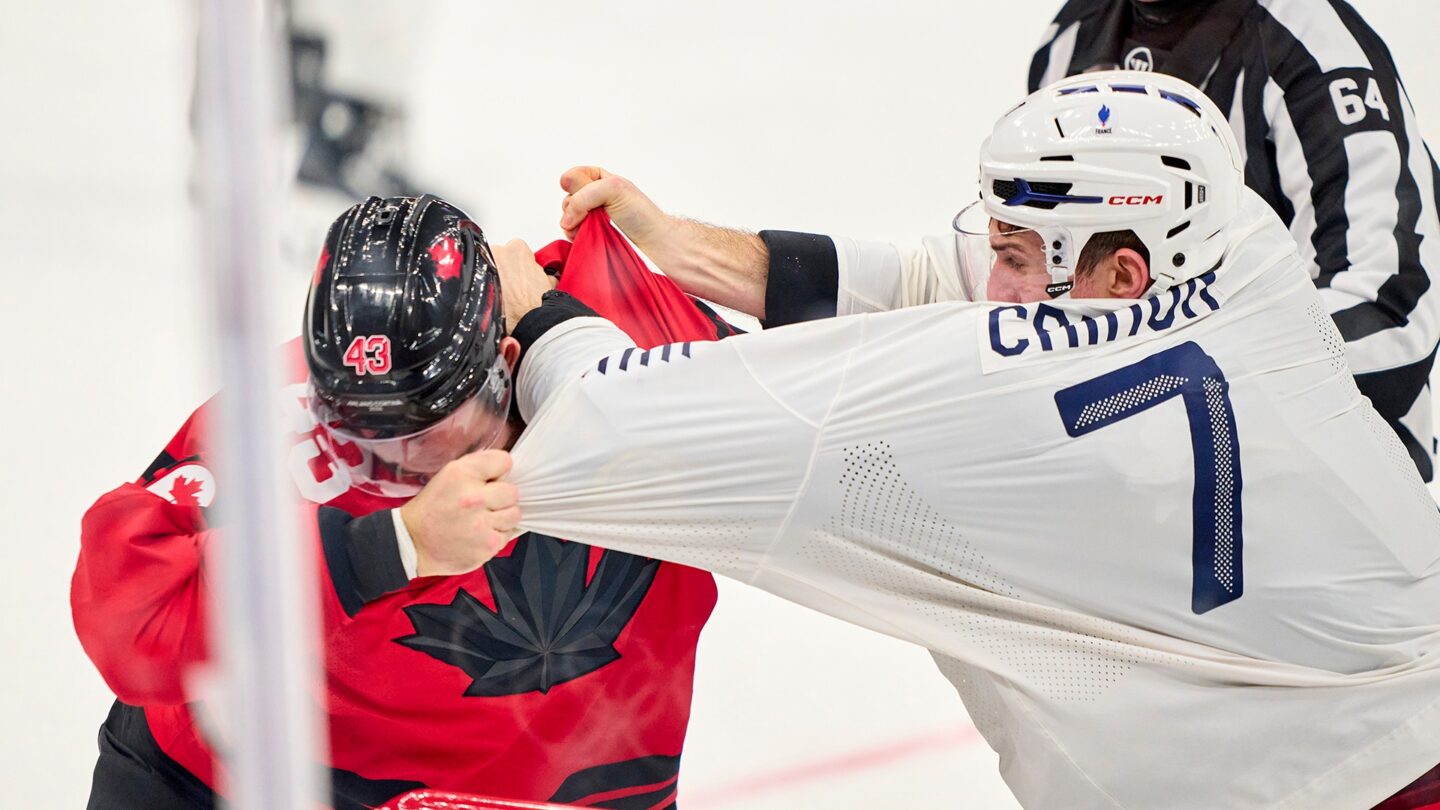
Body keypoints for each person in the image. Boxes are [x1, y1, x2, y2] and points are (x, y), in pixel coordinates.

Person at [461, 71, 1440, 808]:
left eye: (1018, 250)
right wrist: (690, 252)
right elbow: (955, 287)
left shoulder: (998, 407)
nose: (990, 266)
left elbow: (621, 427)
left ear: (1123, 275)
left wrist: (541, 312)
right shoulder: (1246, 253)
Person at [71, 194, 737, 809]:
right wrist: (388, 546)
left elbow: (830, 416)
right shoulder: (285, 421)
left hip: (566, 783)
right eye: (353, 418)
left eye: (418, 421)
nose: (385, 451)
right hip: (249, 778)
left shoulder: (635, 336)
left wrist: (693, 250)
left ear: (503, 361)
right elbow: (126, 615)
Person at [1028, 0, 1440, 482]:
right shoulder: (1068, 41)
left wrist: (1155, 393)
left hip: (1324, 488)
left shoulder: (1311, 43)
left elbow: (1391, 305)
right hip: (1118, 475)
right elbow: (1033, 261)